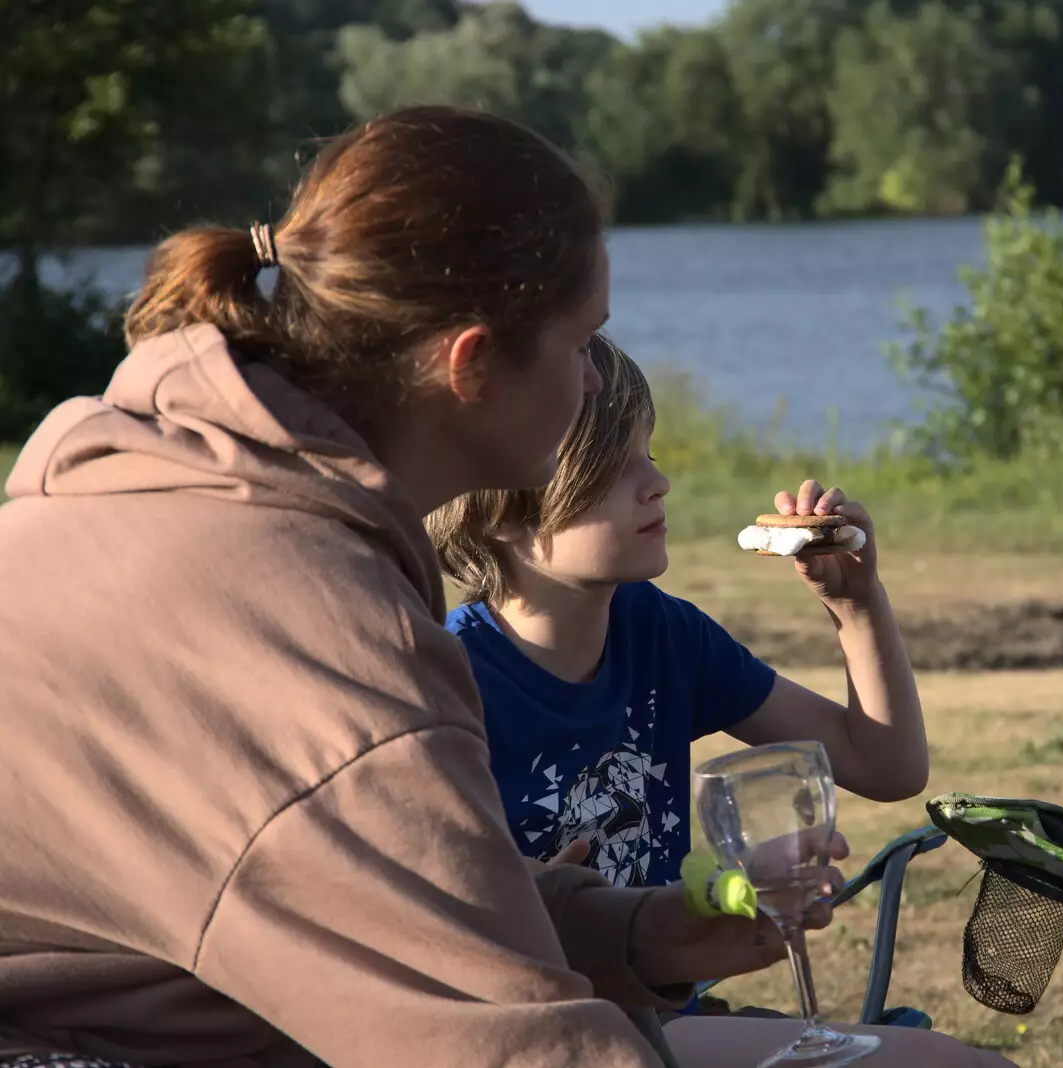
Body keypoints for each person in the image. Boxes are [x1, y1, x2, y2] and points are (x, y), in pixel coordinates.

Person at [0, 105, 1009, 1068]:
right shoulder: (327, 638)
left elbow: (367, 886)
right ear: (473, 365)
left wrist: (636, 933)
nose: (591, 385)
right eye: (579, 343)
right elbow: (498, 1042)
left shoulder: (145, 488)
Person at [427, 337, 928, 891]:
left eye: (652, 457)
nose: (659, 485)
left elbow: (887, 768)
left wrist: (856, 605)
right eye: (615, 467)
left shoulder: (660, 635)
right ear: (496, 505)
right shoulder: (448, 688)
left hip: (667, 979)